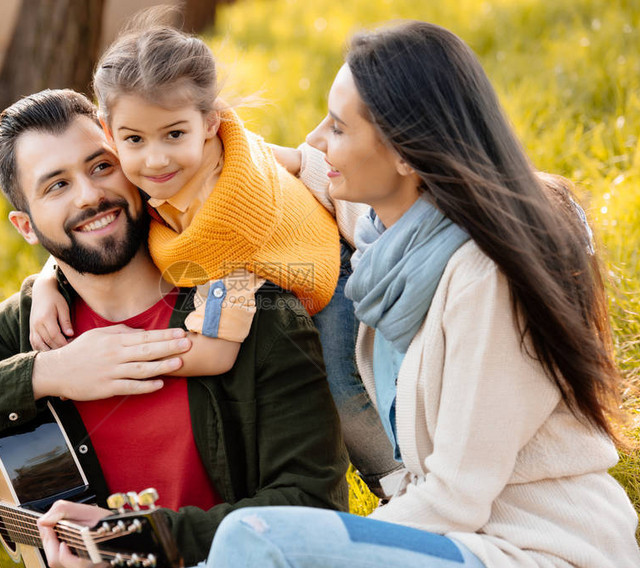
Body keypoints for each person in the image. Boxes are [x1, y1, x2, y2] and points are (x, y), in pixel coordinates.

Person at [192, 20, 640, 568]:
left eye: (336, 127)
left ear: (407, 154)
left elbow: (456, 497)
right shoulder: (399, 235)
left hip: (534, 552)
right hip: (457, 539)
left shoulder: (487, 276)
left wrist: (326, 548)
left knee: (255, 538)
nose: (315, 141)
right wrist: (55, 283)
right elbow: (300, 176)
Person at [0, 89, 349, 568]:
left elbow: (310, 508)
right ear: (26, 227)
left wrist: (135, 538)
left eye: (101, 166)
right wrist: (47, 374)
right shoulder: (28, 325)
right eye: (57, 184)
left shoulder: (249, 307)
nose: (91, 195)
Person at [29, 12, 401, 494]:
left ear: (210, 121)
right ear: (108, 130)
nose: (156, 158)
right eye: (135, 139)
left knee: (345, 388)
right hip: (276, 237)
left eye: (174, 135)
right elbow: (97, 226)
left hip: (325, 274)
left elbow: (217, 354)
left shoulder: (226, 225)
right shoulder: (165, 171)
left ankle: (396, 481)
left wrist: (117, 359)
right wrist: (47, 281)